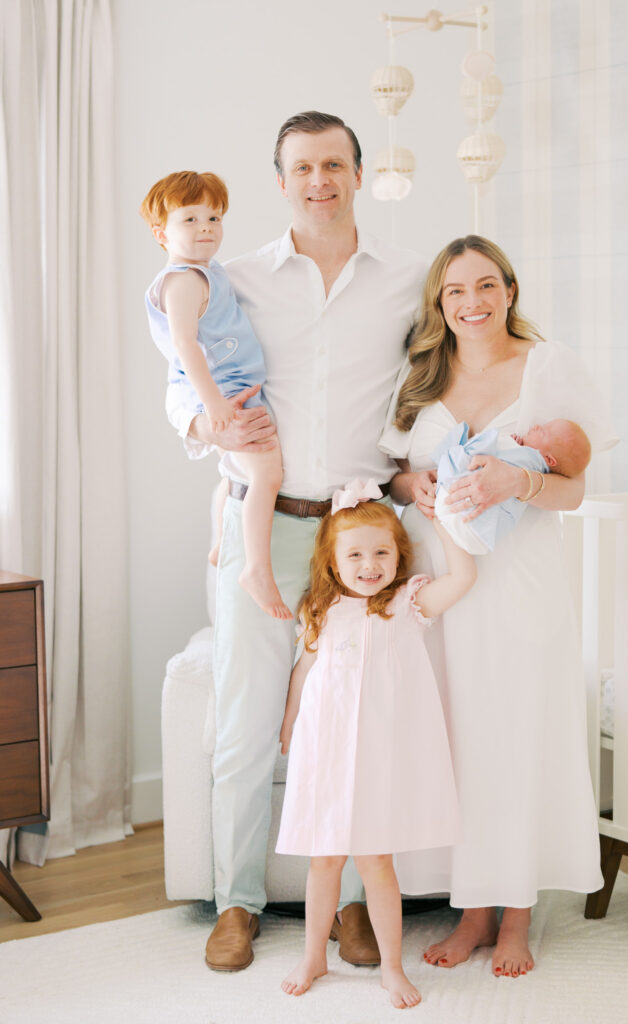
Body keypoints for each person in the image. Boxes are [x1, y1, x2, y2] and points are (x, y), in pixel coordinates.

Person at [164, 112, 426, 971]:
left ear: (357, 173)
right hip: (261, 521)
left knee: (351, 722)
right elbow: (181, 376)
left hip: (359, 538)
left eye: (334, 165)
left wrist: (417, 470)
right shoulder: (231, 277)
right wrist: (203, 420)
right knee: (245, 721)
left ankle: (352, 905)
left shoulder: (404, 279)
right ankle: (236, 901)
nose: (320, 181)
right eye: (302, 168)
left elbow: (423, 390)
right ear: (279, 181)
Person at [380, 235, 618, 979]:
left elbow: (575, 487)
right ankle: (471, 909)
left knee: (516, 741)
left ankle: (516, 917)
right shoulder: (420, 374)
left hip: (520, 582)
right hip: (444, 585)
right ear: (438, 303)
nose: (472, 302)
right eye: (455, 291)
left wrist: (519, 486)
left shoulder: (549, 367)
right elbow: (391, 472)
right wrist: (409, 487)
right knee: (457, 742)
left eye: (486, 286)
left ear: (510, 291)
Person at [277, 481, 476, 1008]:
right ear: (333, 561)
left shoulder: (408, 604)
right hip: (326, 755)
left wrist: (439, 519)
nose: (370, 564)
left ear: (398, 556)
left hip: (379, 762)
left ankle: (392, 967)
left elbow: (465, 577)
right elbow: (305, 670)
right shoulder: (320, 609)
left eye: (382, 551)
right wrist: (289, 722)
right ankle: (314, 953)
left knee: (376, 864)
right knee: (323, 862)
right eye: (356, 554)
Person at [141, 171, 291, 620]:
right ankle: (256, 569)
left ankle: (224, 542)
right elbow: (185, 346)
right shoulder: (182, 280)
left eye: (214, 217)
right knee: (267, 475)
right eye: (190, 219)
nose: (206, 227)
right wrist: (214, 406)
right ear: (161, 232)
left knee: (236, 474)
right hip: (224, 390)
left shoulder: (211, 271)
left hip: (232, 386)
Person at [433, 418, 591, 554]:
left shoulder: (531, 460)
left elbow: (494, 456)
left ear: (549, 460)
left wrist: (509, 444)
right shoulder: (526, 456)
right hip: (480, 537)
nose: (536, 426)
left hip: (468, 520)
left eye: (543, 432)